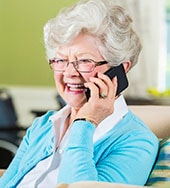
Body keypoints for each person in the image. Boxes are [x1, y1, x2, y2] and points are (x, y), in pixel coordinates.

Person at [0, 0, 159, 187]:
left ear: (120, 70)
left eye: (84, 60)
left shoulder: (136, 141)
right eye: (60, 60)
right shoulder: (43, 125)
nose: (69, 73)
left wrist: (84, 123)